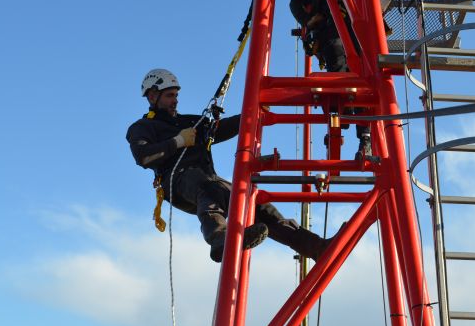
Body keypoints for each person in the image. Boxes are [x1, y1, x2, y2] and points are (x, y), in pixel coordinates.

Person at [126, 68, 332, 263]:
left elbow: (221, 129)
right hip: (178, 182)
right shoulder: (143, 128)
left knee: (257, 205)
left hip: (209, 180)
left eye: (175, 95)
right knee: (206, 187)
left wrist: (251, 117)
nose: (175, 101)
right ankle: (220, 239)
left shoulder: (190, 122)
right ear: (152, 97)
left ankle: (317, 247)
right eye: (169, 96)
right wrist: (178, 141)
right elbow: (143, 157)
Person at [289, 0, 372, 160]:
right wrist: (308, 20)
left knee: (365, 80)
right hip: (330, 32)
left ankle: (365, 136)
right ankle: (341, 118)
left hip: (357, 32)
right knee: (340, 69)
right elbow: (295, 3)